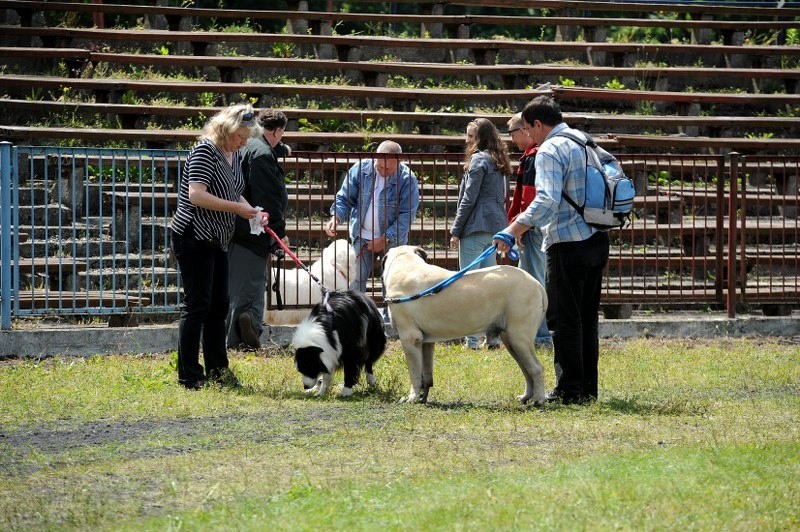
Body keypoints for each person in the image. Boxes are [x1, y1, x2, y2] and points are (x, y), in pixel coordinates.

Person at [493, 96, 610, 405]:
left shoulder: (550, 150)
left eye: (529, 131)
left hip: (567, 242)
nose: (530, 137)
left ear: (537, 124)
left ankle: (569, 391)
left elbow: (546, 200)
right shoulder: (586, 141)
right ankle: (587, 389)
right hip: (598, 238)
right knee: (586, 317)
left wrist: (513, 229)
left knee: (563, 318)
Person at [169, 103, 266, 390]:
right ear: (227, 129)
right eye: (241, 136)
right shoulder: (204, 151)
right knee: (197, 305)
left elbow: (235, 192)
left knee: (219, 306)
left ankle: (218, 370)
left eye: (248, 138)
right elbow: (197, 195)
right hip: (194, 235)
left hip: (218, 238)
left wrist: (255, 213)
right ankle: (189, 374)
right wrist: (238, 209)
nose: (244, 142)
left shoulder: (231, 154)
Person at [324, 140, 420, 313]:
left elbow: (407, 215)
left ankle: (390, 320)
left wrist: (385, 239)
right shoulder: (360, 169)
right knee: (356, 280)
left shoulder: (407, 179)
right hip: (361, 234)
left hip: (393, 240)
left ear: (399, 162)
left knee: (391, 283)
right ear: (375, 157)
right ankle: (354, 317)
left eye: (388, 169)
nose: (383, 171)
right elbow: (345, 198)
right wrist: (336, 217)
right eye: (380, 166)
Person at [226, 109, 291, 350]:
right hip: (253, 230)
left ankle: (244, 329)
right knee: (251, 285)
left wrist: (281, 149)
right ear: (277, 131)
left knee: (237, 284)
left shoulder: (249, 144)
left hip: (236, 228)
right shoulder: (263, 155)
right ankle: (243, 334)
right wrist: (279, 233)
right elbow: (269, 198)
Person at [450, 118, 512, 350]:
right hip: (495, 227)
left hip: (475, 227)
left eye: (471, 136)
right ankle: (493, 337)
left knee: (469, 285)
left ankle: (472, 340)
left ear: (481, 139)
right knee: (489, 287)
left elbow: (469, 199)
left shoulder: (478, 160)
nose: (466, 140)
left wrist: (456, 229)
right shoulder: (499, 160)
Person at [506, 112, 553, 349]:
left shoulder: (534, 157)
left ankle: (541, 336)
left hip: (531, 229)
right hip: (530, 227)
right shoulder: (530, 156)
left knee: (534, 284)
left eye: (513, 134)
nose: (512, 139)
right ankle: (532, 334)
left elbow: (529, 198)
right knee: (529, 283)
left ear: (523, 131)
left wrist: (520, 227)